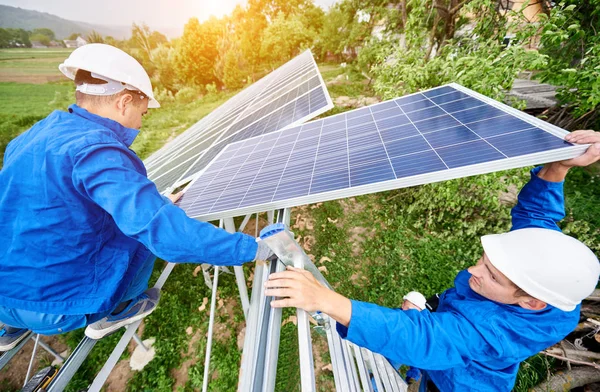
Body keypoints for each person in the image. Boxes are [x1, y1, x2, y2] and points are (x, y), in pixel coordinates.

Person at [264, 130, 600, 391]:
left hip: (460, 384)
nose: (472, 271)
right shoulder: (547, 271)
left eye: (492, 276)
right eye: (484, 260)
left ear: (531, 303)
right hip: (449, 339)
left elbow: (426, 339)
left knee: (433, 367)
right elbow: (536, 215)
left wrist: (325, 299)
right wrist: (559, 166)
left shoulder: (494, 332)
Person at [0, 44, 271, 351]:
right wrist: (252, 248)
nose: (141, 125)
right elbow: (163, 232)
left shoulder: (33, 135)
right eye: (142, 114)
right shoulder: (95, 149)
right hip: (56, 308)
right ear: (124, 102)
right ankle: (118, 310)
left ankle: (12, 326)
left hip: (4, 297)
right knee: (140, 234)